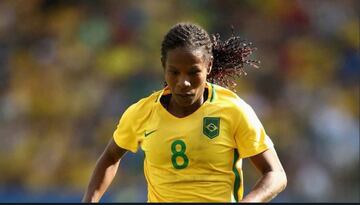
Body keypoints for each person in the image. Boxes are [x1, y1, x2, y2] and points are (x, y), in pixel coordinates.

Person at [82, 22, 287, 203]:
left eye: (193, 72)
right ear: (164, 68)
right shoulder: (141, 113)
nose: (183, 82)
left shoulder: (233, 110)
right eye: (174, 72)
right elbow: (110, 156)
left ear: (208, 66)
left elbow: (276, 173)